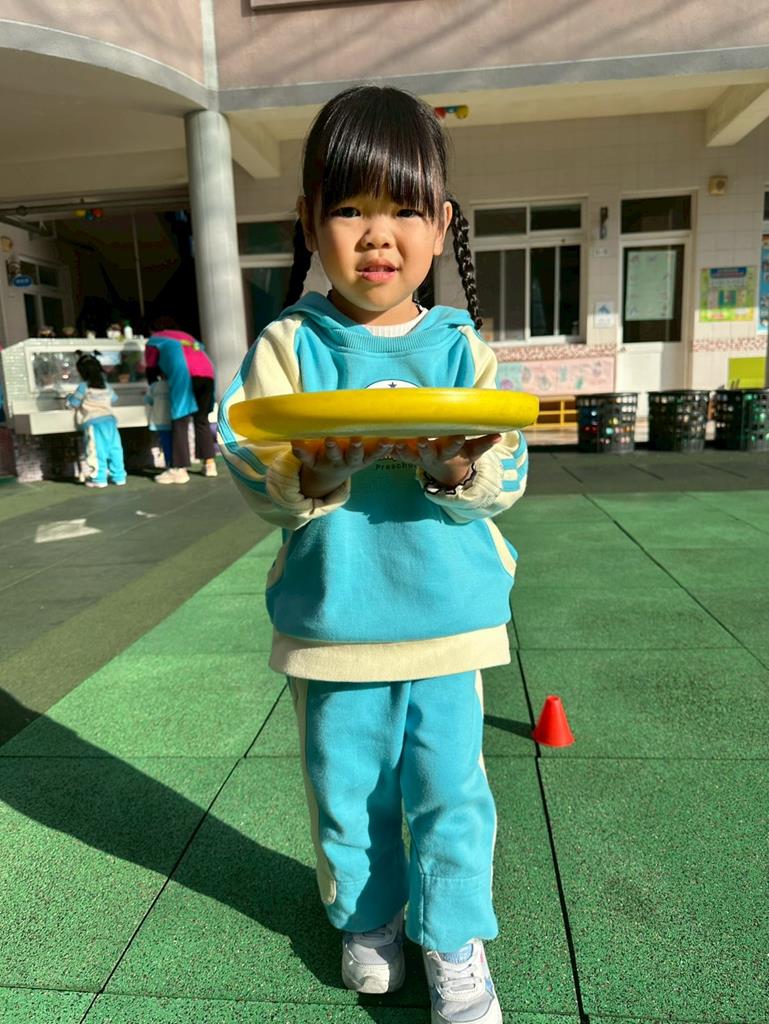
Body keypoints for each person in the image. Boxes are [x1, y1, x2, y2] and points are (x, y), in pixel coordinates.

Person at [217, 86, 529, 1024]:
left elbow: (506, 471)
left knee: (449, 790)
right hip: (336, 621)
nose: (377, 236)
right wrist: (310, 475)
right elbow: (248, 456)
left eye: (403, 210)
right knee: (345, 789)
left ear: (441, 225)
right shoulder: (288, 345)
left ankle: (453, 937)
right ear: (308, 220)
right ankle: (367, 918)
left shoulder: (460, 347)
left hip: (448, 619)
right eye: (350, 208)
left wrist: (455, 468)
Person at [144, 317, 217, 483]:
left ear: (153, 329)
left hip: (184, 375)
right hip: (207, 374)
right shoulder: (188, 337)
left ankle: (179, 469)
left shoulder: (155, 339)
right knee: (202, 420)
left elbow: (151, 368)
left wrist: (154, 388)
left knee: (180, 420)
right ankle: (209, 464)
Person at [66, 350, 126, 488]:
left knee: (97, 451)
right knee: (115, 449)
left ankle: (99, 479)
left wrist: (69, 398)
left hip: (94, 423)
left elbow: (74, 403)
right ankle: (119, 477)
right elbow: (114, 399)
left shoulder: (84, 387)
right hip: (110, 422)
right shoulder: (106, 386)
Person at [144, 372, 173, 468]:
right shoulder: (173, 385)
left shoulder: (153, 386)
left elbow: (148, 402)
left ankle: (168, 463)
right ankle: (173, 463)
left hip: (159, 420)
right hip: (172, 420)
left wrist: (148, 420)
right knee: (172, 443)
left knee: (164, 443)